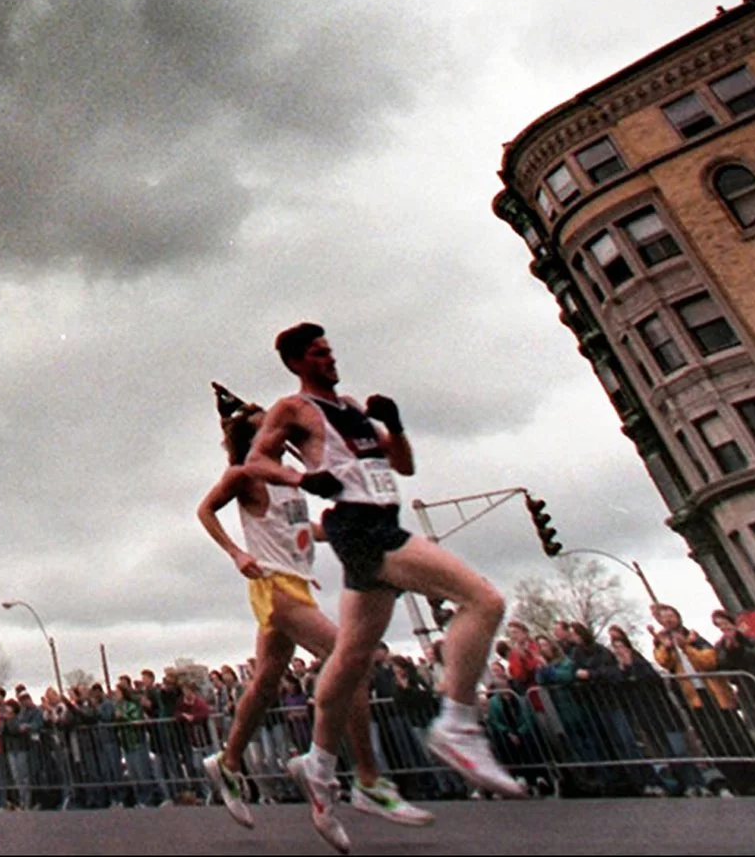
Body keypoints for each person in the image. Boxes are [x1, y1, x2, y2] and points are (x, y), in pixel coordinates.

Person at [247, 323, 525, 833]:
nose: (329, 359)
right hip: (361, 526)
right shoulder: (294, 409)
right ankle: (458, 725)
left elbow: (405, 466)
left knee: (351, 656)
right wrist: (302, 477)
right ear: (296, 363)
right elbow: (255, 460)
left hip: (383, 518)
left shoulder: (351, 407)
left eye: (331, 350)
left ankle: (322, 763)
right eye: (317, 353)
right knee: (482, 601)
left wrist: (393, 427)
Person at [197, 384, 428, 840]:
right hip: (274, 586)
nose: (282, 435)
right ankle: (365, 778)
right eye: (269, 429)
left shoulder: (289, 478)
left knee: (265, 682)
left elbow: (302, 529)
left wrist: (339, 530)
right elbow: (205, 510)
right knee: (351, 660)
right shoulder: (246, 476)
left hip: (299, 585)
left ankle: (227, 762)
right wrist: (236, 554)